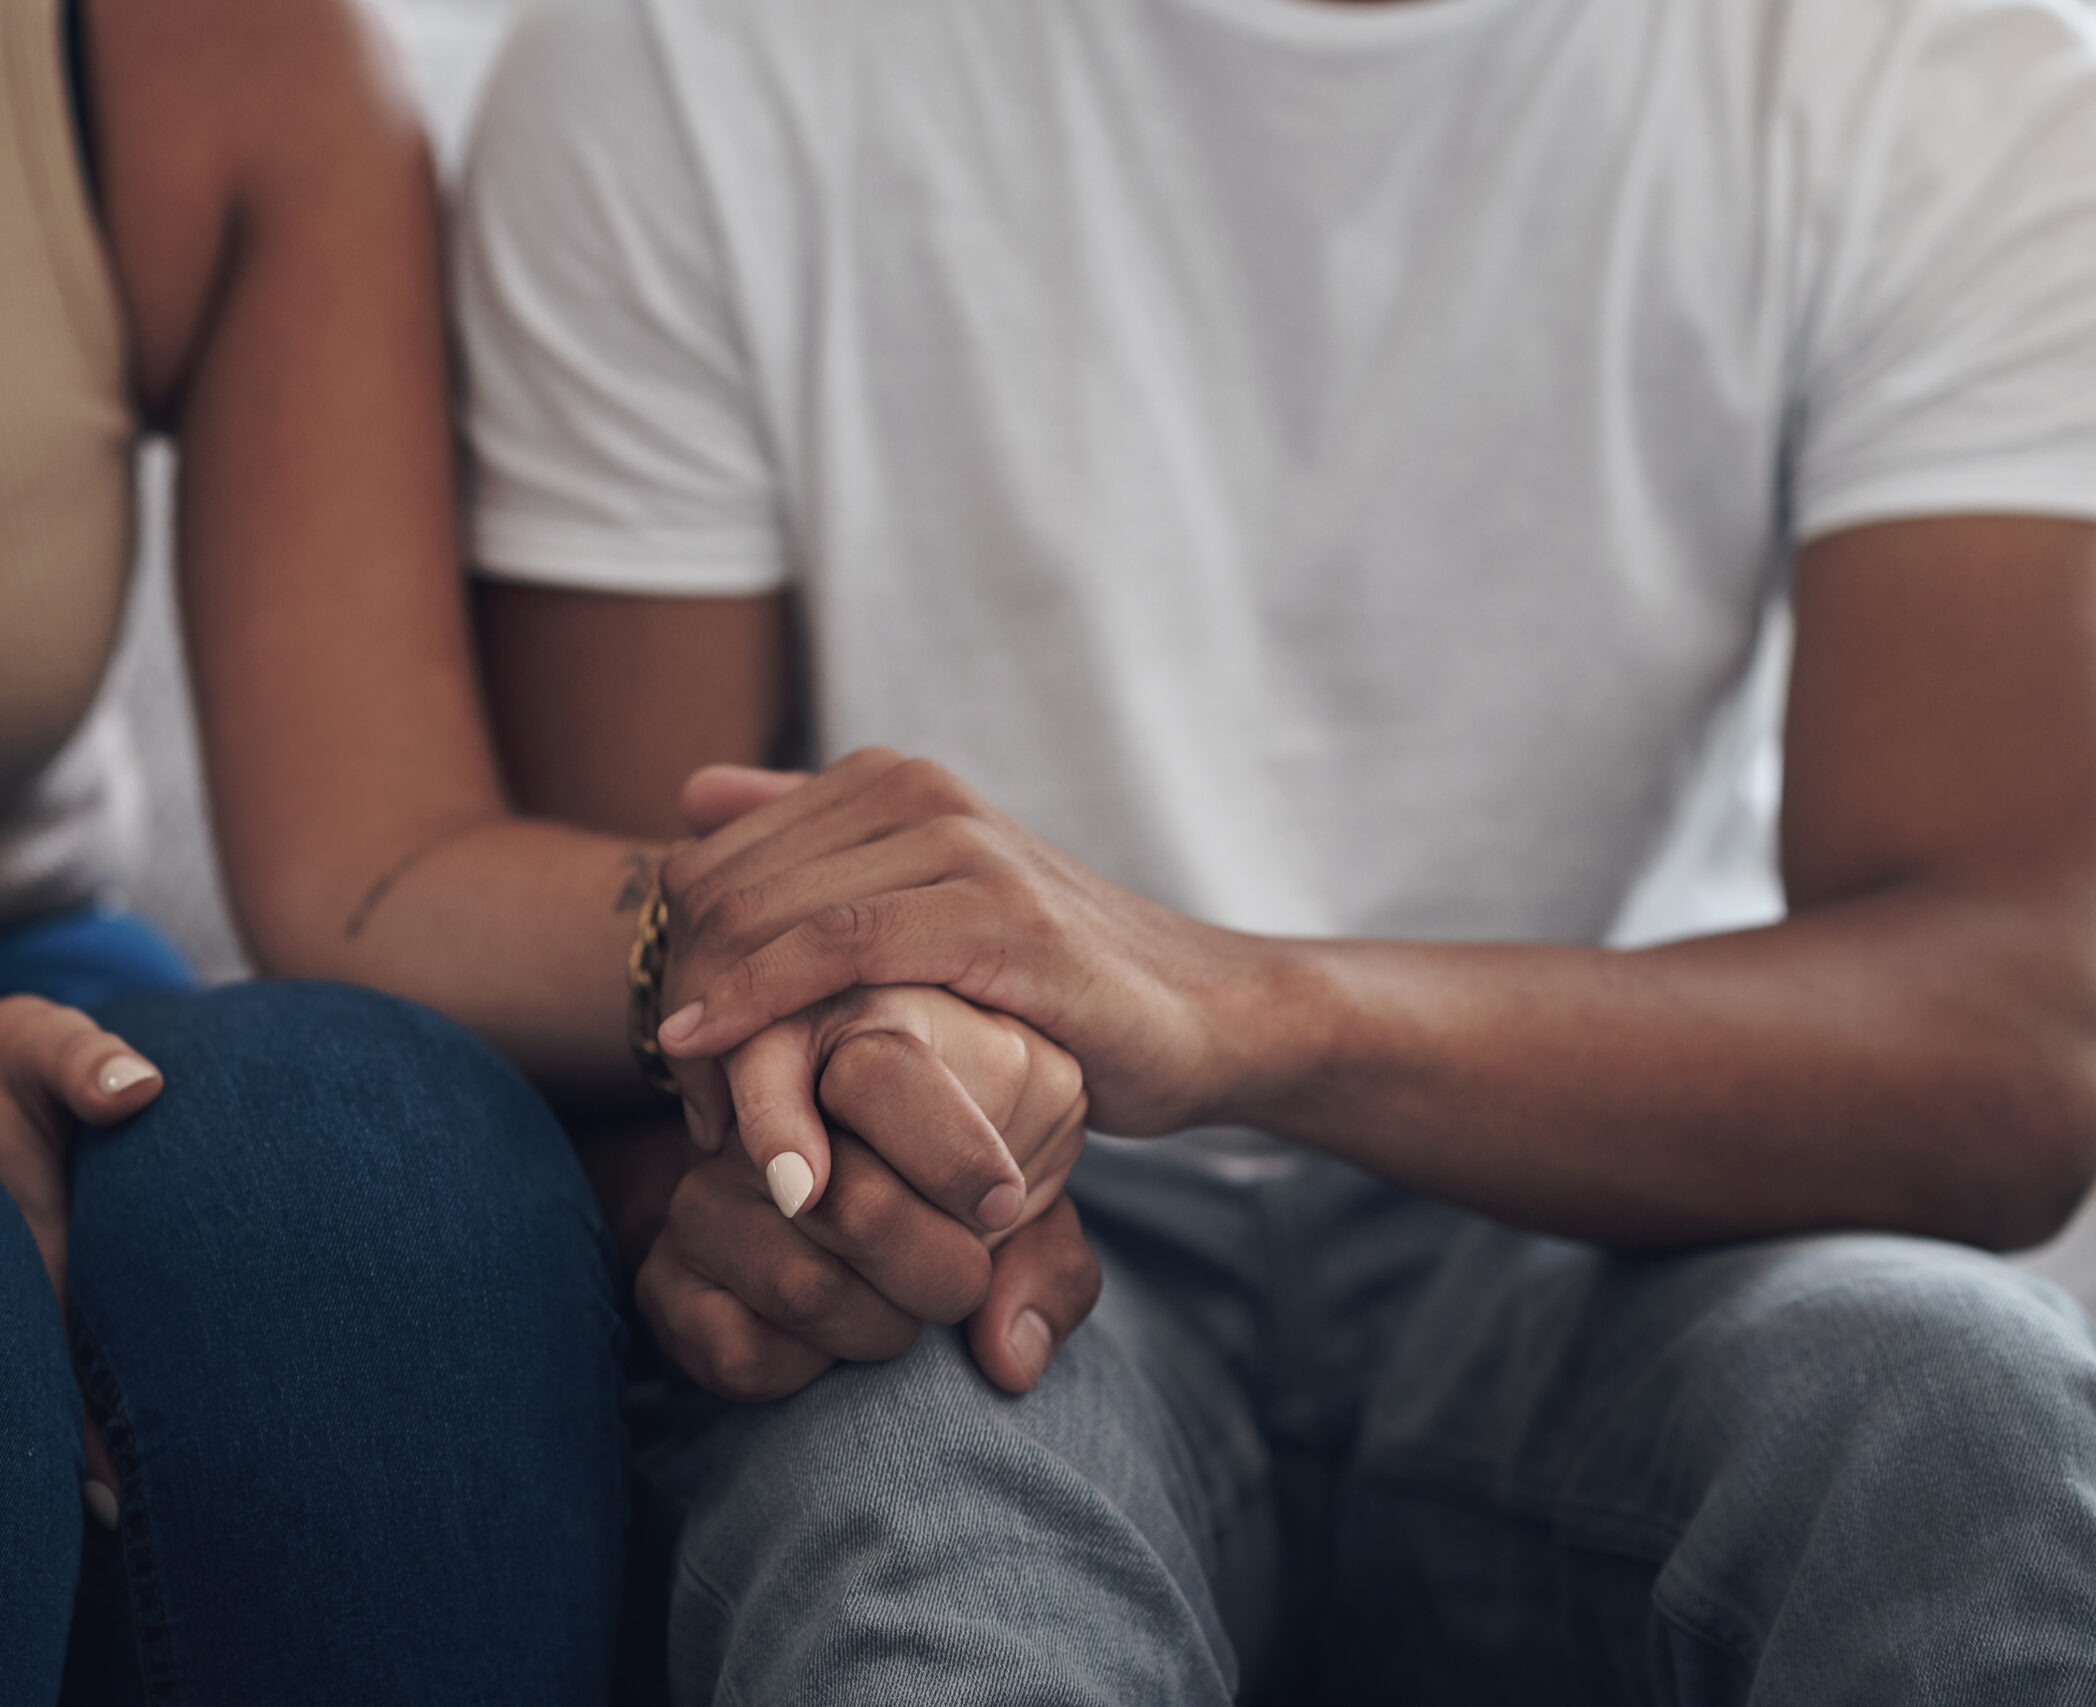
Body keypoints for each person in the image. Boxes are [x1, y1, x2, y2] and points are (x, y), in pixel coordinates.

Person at [459, 0, 2096, 1697]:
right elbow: (649, 1014)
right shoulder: (685, 49)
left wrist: (1239, 1011)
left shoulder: (1919, 66)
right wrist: (802, 1206)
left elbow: (2010, 1049)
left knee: (1963, 1410)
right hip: (1003, 1222)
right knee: (906, 1502)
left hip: (1619, 1199)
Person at [0, 0, 1080, 1697]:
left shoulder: (205, 56)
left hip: (6, 993)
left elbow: (376, 870)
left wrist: (820, 963)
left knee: (364, 1151)